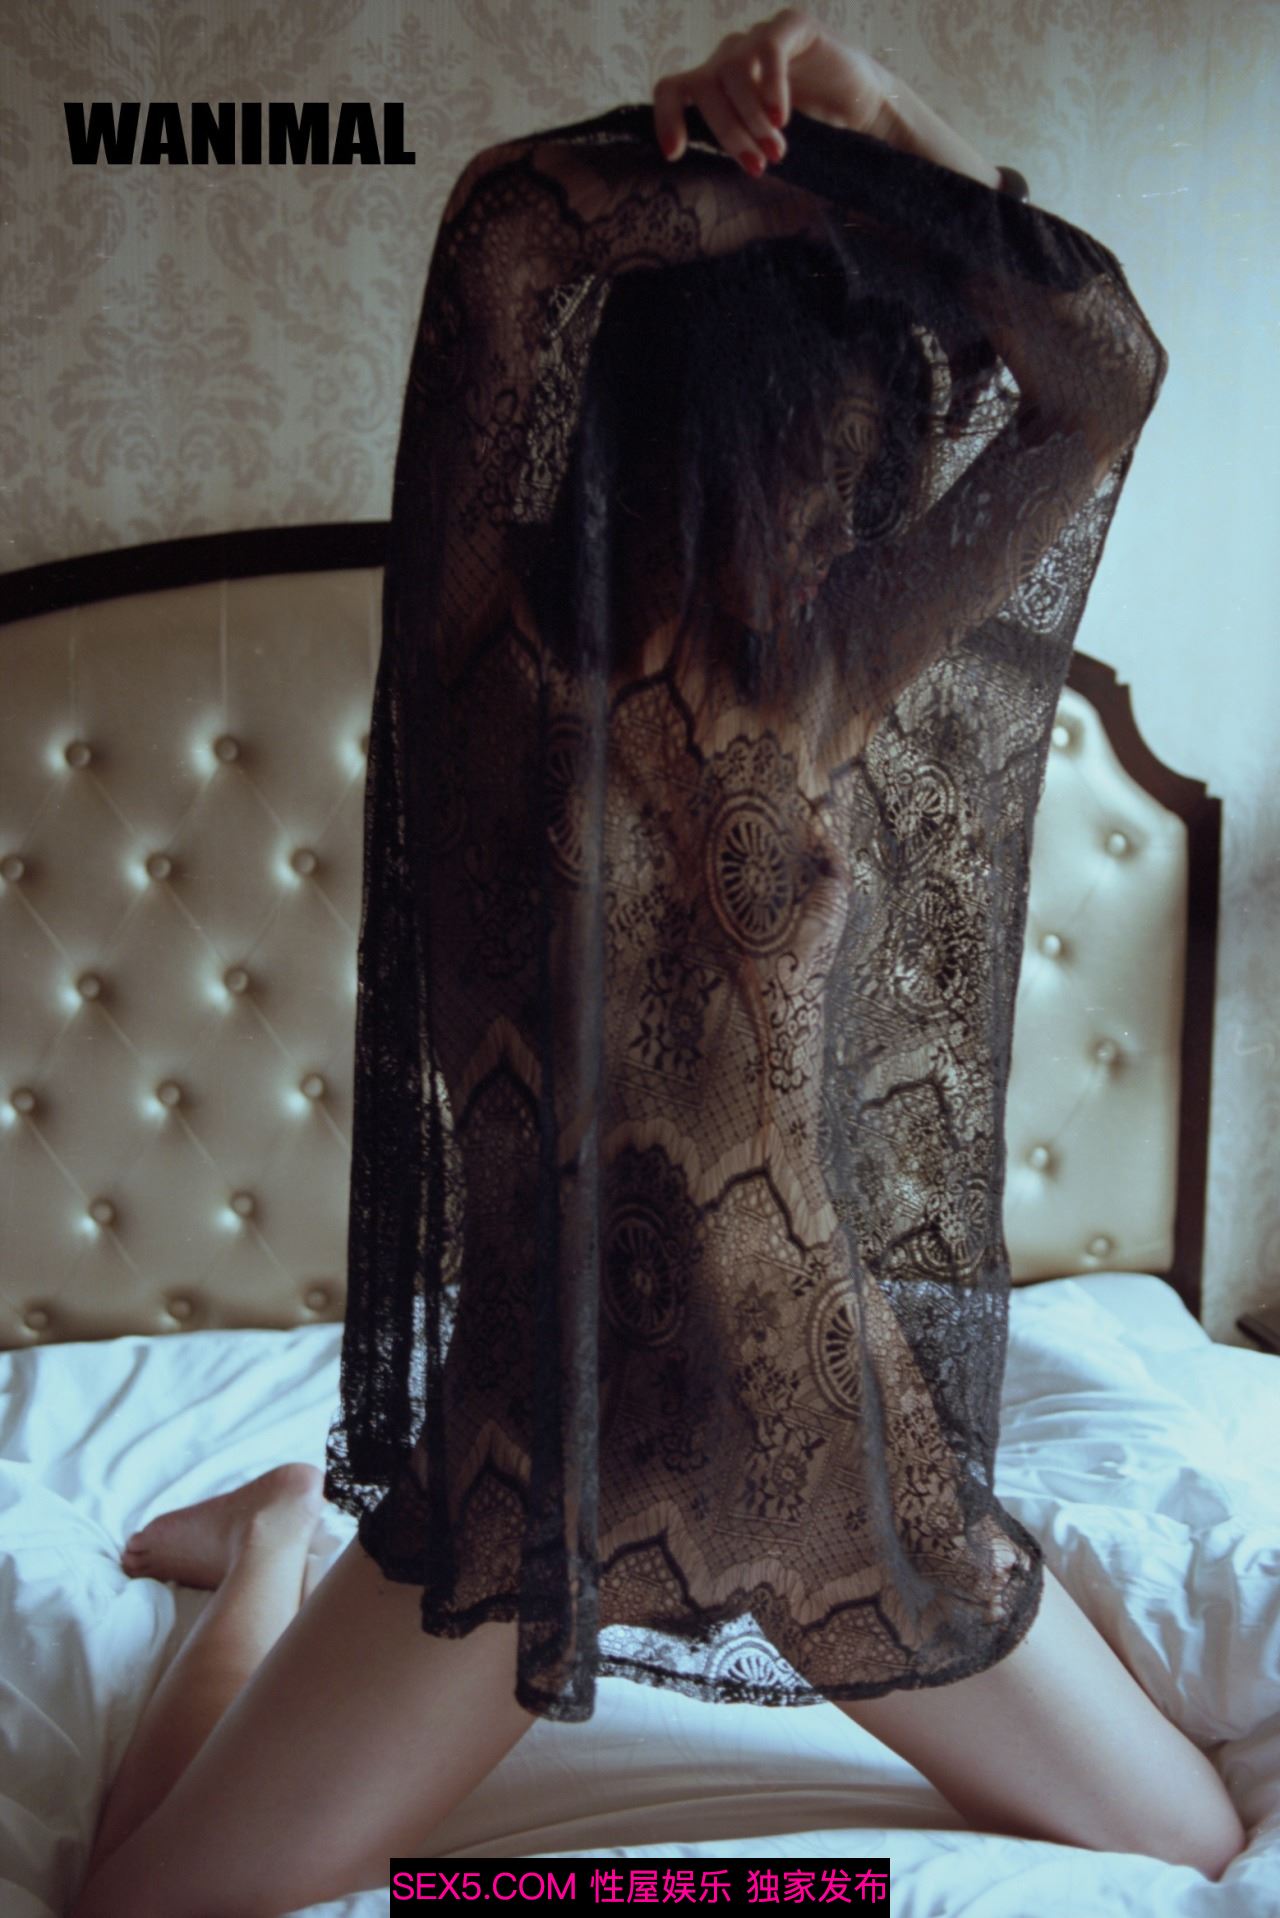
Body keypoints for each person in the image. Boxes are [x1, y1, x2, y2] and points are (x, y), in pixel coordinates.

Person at [68, 15, 1246, 1915]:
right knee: (137, 1902)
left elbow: (1100, 375)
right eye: (824, 450)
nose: (856, 503)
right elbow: (509, 232)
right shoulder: (491, 650)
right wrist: (760, 168)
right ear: (697, 421)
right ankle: (276, 1537)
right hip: (542, 1454)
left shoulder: (830, 668)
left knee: (1191, 1842)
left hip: (821, 1432)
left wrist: (872, 109)